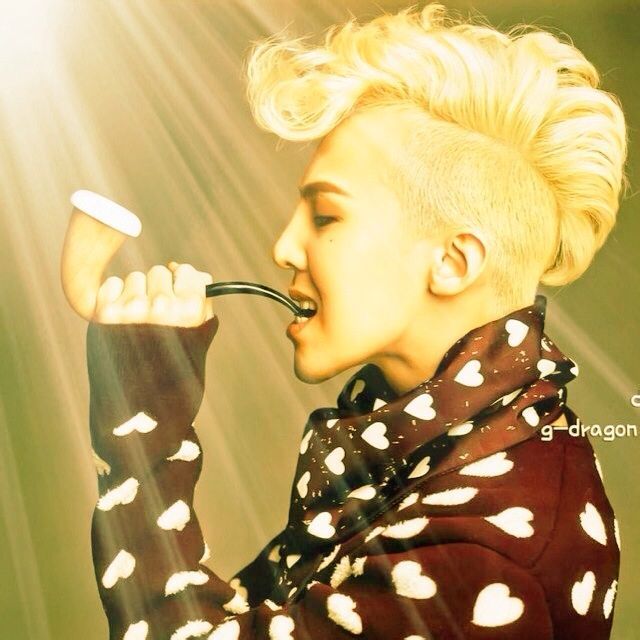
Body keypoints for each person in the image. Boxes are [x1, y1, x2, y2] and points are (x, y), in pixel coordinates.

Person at [86, 3, 627, 638]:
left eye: (325, 216)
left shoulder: (487, 553)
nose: (283, 248)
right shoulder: (442, 447)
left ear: (452, 262)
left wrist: (144, 418)